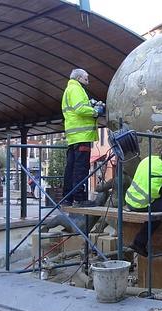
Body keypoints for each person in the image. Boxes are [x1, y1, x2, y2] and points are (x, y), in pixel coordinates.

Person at [61, 68, 105, 208]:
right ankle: (80, 199)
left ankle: (67, 198)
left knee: (71, 168)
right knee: (81, 168)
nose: (88, 81)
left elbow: (76, 109)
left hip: (73, 137)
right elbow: (80, 109)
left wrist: (90, 104)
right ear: (79, 78)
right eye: (86, 78)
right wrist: (95, 111)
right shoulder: (76, 89)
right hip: (82, 136)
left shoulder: (69, 90)